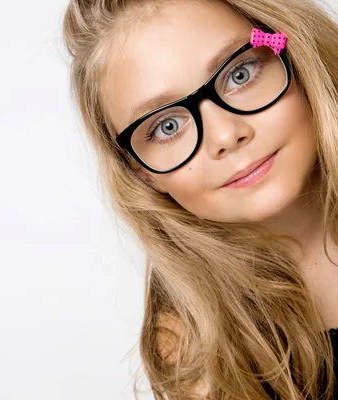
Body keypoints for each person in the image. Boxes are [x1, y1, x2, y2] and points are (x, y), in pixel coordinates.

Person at [62, 0, 338, 398]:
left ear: (292, 50)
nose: (226, 136)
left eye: (239, 74)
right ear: (140, 171)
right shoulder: (191, 347)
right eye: (167, 125)